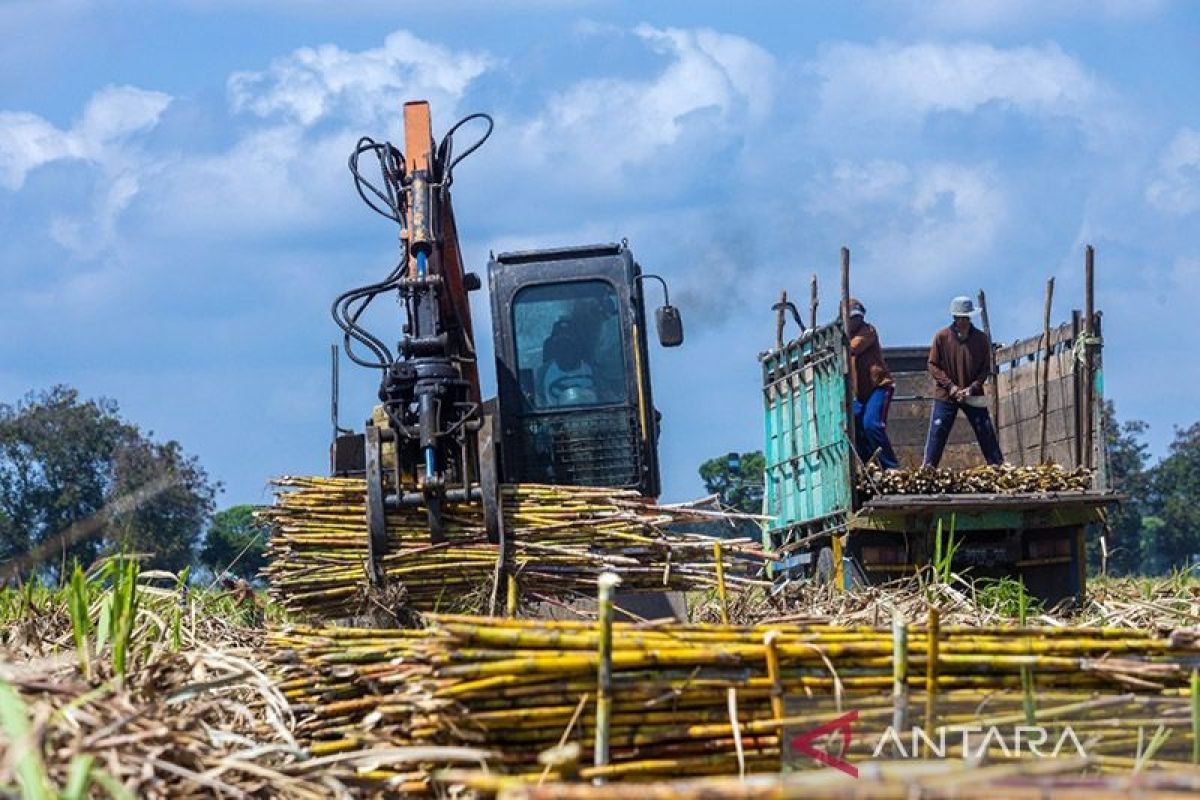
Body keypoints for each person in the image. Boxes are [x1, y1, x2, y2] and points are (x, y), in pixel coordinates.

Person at [922, 295, 1004, 467]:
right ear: (955, 318)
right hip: (946, 394)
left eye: (967, 317)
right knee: (938, 431)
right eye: (961, 318)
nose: (964, 321)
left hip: (972, 393)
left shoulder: (981, 339)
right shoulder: (942, 337)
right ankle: (928, 468)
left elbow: (984, 368)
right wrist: (950, 387)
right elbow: (933, 365)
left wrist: (973, 387)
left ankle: (997, 466)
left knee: (985, 429)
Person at [846, 298, 899, 469]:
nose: (857, 321)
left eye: (858, 317)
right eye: (852, 318)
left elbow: (852, 347)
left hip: (879, 387)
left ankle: (891, 467)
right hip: (859, 393)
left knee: (871, 425)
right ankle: (870, 466)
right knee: (855, 425)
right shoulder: (841, 336)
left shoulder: (868, 331)